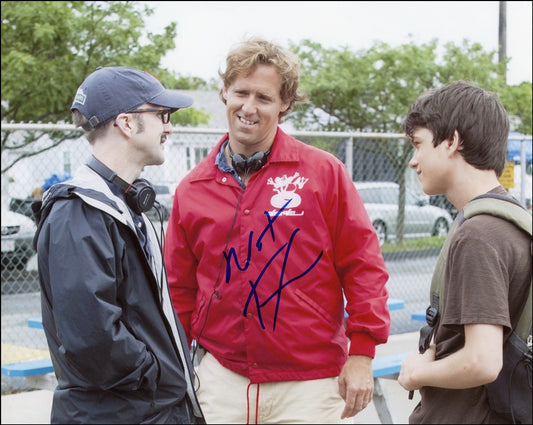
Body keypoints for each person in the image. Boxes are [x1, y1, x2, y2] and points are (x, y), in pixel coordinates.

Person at [163, 37, 390, 423]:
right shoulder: (192, 189)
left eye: (263, 98)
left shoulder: (323, 174)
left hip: (308, 383)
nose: (248, 108)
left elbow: (363, 266)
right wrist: (177, 366)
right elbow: (178, 289)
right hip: (221, 380)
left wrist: (362, 353)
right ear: (224, 92)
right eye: (241, 92)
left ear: (284, 103)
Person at [32, 66, 205, 424]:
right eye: (161, 115)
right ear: (126, 123)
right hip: (123, 413)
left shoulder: (120, 205)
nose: (168, 127)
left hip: (144, 410)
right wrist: (157, 374)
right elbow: (92, 339)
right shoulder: (79, 213)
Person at [398, 80, 532, 423]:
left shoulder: (478, 235)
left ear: (453, 141)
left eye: (418, 144)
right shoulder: (512, 220)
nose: (414, 161)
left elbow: (482, 361)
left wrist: (417, 373)